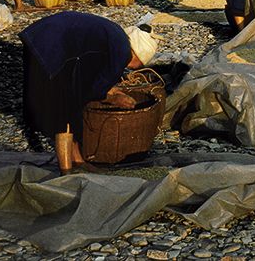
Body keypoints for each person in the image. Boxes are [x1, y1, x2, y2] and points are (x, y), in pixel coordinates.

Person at [19, 11, 158, 166]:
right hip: (49, 46)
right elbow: (95, 89)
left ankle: (78, 160)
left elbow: (94, 71)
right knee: (63, 108)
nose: (137, 68)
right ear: (138, 56)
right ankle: (66, 169)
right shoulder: (122, 52)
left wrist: (110, 90)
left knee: (72, 104)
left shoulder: (118, 39)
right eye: (141, 64)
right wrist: (113, 98)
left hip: (47, 36)